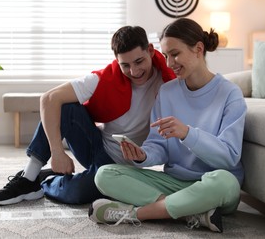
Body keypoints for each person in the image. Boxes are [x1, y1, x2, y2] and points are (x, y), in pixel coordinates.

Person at [88, 18, 247, 233]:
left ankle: (135, 214)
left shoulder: (230, 94)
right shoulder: (167, 92)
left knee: (226, 182)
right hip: (175, 182)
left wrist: (188, 134)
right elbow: (158, 145)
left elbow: (229, 157)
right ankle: (191, 212)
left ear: (198, 49)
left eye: (175, 54)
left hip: (213, 184)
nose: (169, 63)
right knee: (105, 174)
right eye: (165, 56)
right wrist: (143, 156)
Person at [0, 26, 176, 205]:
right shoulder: (105, 78)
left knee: (78, 193)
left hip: (125, 166)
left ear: (150, 51)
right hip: (96, 145)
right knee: (65, 105)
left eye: (139, 61)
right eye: (125, 65)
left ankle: (46, 180)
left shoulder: (171, 80)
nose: (134, 72)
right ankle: (28, 178)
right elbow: (48, 99)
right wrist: (57, 152)